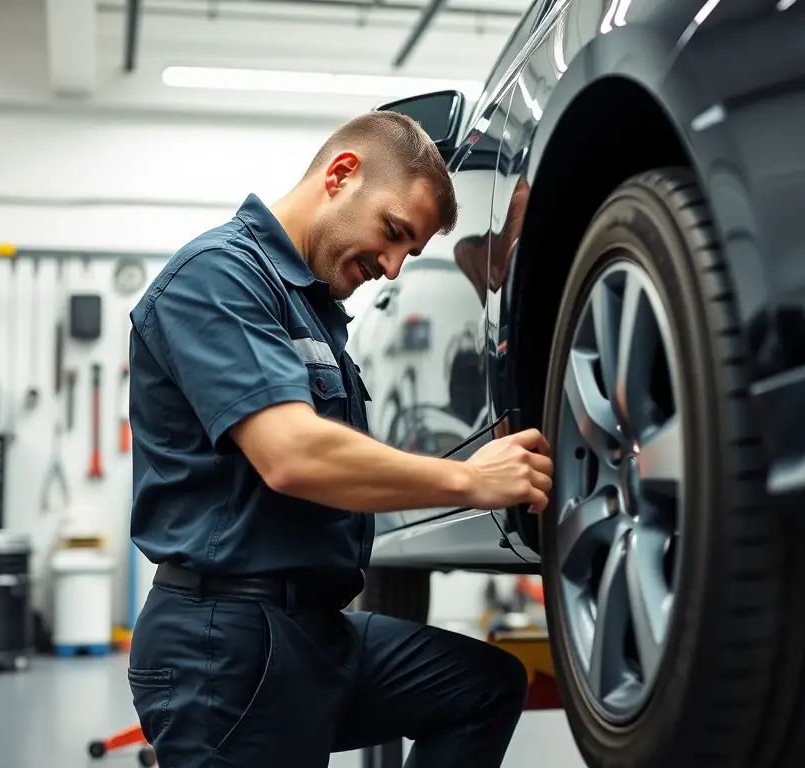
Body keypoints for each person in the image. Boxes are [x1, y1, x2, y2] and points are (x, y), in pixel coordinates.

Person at [125, 110, 555, 768]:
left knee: (484, 687)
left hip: (315, 631)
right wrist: (471, 480)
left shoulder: (317, 311)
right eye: (392, 233)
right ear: (341, 174)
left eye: (408, 253)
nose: (390, 268)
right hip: (226, 644)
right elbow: (292, 455)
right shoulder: (217, 276)